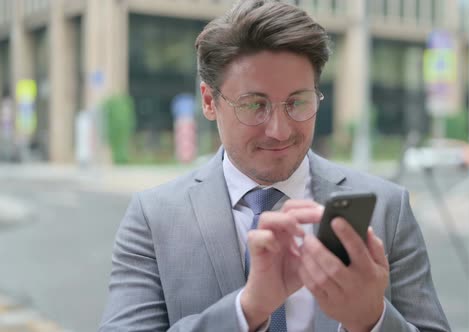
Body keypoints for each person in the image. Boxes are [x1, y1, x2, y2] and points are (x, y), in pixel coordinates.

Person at [99, 1, 450, 331]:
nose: (279, 130)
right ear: (209, 102)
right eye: (254, 106)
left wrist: (372, 320)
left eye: (298, 102)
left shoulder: (386, 208)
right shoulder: (154, 216)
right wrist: (248, 309)